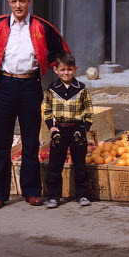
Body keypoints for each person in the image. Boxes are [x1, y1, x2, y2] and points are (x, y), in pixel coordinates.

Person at [0, 0, 70, 210]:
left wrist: (49, 67)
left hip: (30, 85)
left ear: (29, 2)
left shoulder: (42, 27)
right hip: (4, 85)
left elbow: (62, 51)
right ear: (8, 3)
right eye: (14, 1)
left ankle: (32, 192)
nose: (18, 5)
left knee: (30, 141)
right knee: (0, 143)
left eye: (22, 1)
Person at [42, 52, 93, 208]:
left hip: (77, 130)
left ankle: (82, 194)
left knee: (80, 164)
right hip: (59, 130)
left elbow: (89, 112)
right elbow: (47, 110)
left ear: (75, 69)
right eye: (62, 70)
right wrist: (52, 128)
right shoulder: (52, 89)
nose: (66, 73)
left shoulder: (82, 89)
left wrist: (84, 129)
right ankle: (53, 196)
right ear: (56, 70)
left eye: (69, 69)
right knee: (55, 165)